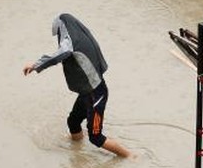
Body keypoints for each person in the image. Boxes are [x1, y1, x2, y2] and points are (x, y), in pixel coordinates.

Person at [23, 14, 131, 158]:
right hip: (87, 92)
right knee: (73, 122)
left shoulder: (71, 42)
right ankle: (77, 151)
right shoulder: (82, 35)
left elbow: (63, 52)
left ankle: (129, 156)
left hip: (96, 95)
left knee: (95, 137)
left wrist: (36, 65)